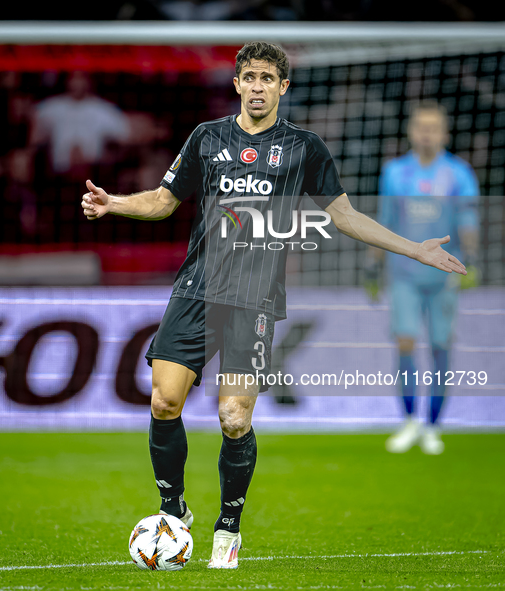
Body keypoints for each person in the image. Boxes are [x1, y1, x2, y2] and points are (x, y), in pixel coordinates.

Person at [81, 43, 467, 568]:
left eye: (268, 77)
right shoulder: (207, 138)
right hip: (195, 290)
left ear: (283, 87)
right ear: (237, 84)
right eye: (249, 77)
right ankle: (173, 511)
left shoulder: (304, 148)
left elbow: (345, 216)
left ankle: (228, 529)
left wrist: (413, 247)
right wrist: (115, 204)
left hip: (254, 301)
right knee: (164, 403)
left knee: (234, 417)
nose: (258, 86)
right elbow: (164, 201)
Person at [365, 100, 480, 455]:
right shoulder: (395, 173)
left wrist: (471, 260)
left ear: (445, 132)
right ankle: (410, 420)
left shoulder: (459, 174)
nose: (427, 133)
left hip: (445, 275)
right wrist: (373, 265)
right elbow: (383, 222)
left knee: (441, 345)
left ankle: (433, 425)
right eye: (421, 126)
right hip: (405, 274)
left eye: (434, 127)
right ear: (411, 131)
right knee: (405, 342)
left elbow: (468, 221)